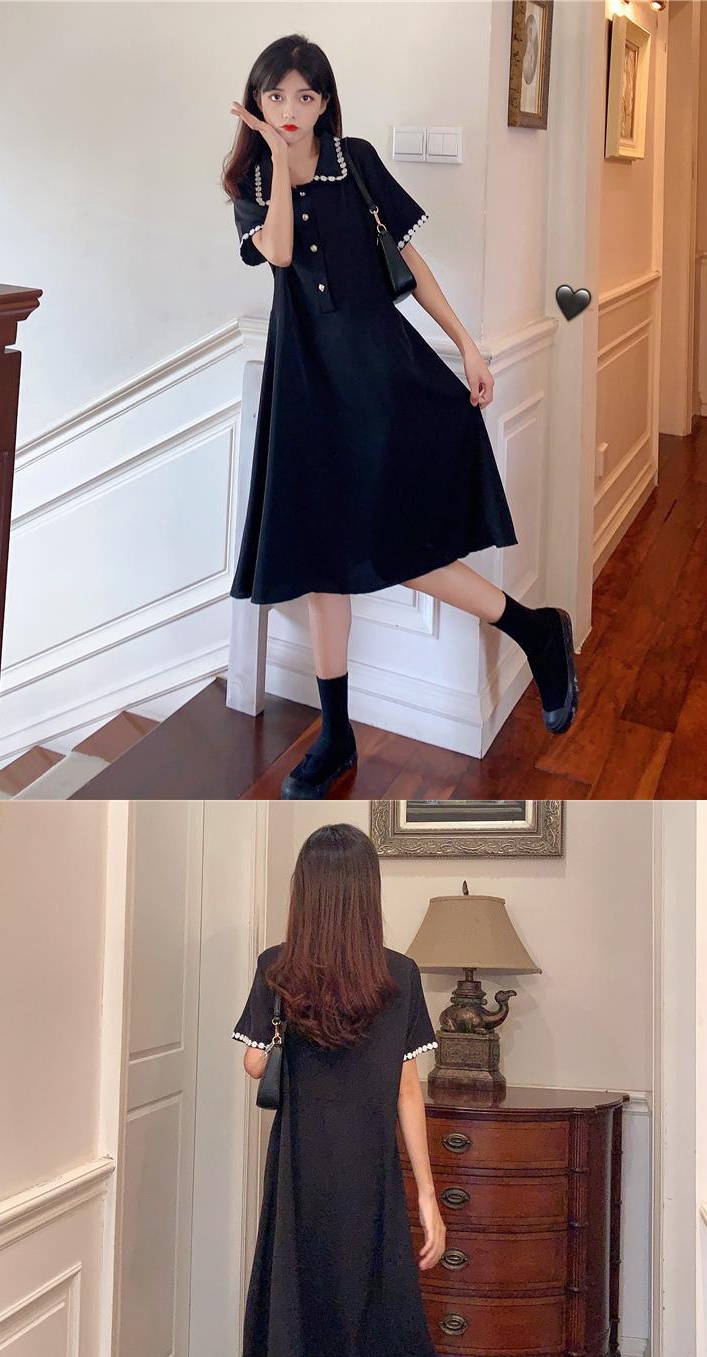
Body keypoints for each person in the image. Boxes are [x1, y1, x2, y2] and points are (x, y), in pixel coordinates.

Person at [224, 34, 579, 800]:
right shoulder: (249, 179)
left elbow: (409, 263)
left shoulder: (355, 160)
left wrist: (468, 344)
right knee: (322, 561)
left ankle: (532, 628)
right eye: (276, 96)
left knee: (399, 544)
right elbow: (279, 253)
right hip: (306, 385)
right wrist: (276, 159)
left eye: (305, 96)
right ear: (257, 101)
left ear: (326, 101)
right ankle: (338, 736)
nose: (290, 110)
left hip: (380, 373)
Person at [233, 821, 446, 1357]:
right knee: (362, 1354)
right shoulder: (401, 977)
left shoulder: (277, 968)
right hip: (371, 1186)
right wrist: (427, 1195)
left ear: (306, 895)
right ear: (367, 894)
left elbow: (253, 1063)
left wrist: (277, 1030)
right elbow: (407, 1089)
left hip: (301, 1187)